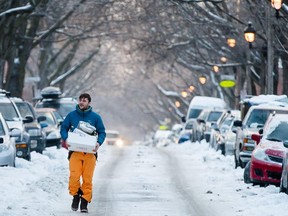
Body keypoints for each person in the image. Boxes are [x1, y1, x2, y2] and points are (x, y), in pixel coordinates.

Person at [60, 93, 106, 213]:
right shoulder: (71, 116)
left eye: (84, 100)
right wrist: (66, 139)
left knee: (87, 179)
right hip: (75, 152)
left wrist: (98, 143)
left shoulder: (96, 117)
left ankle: (84, 202)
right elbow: (63, 128)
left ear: (89, 103)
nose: (81, 102)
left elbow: (102, 132)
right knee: (74, 176)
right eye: (80, 100)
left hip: (90, 154)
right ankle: (76, 195)